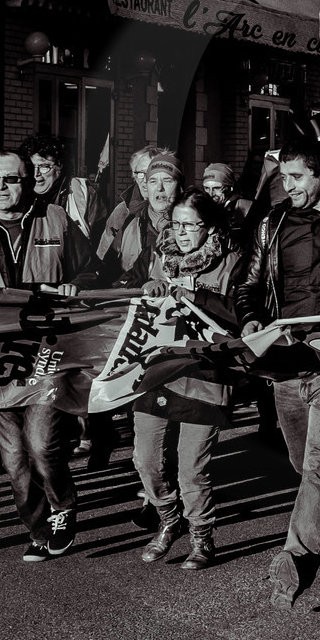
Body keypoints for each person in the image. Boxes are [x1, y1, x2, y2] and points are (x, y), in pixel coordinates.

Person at [234, 139, 320, 607]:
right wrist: (251, 317)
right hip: (286, 367)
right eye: (283, 178)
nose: (287, 186)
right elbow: (248, 285)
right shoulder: (272, 225)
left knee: (317, 463)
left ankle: (296, 560)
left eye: (296, 177)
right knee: (302, 464)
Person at [0, 151, 80, 562]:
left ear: (27, 181)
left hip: (48, 350)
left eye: (10, 180)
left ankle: (63, 507)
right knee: (13, 459)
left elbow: (93, 270)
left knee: (42, 443)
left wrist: (75, 285)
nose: (1, 188)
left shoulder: (57, 220)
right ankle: (38, 527)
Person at [130, 190, 244, 571]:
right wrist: (151, 290)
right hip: (158, 372)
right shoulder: (162, 260)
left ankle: (202, 535)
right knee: (145, 460)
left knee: (191, 469)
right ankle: (167, 519)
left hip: (205, 375)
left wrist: (195, 296)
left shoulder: (231, 262)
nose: (180, 232)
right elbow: (146, 307)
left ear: (208, 227)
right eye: (175, 223)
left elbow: (240, 315)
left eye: (188, 225)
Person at [19, 133, 97, 277]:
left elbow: (100, 249)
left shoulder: (82, 193)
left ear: (59, 167)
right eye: (31, 167)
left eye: (44, 167)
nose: (36, 174)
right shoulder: (19, 198)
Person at [102, 149, 182, 287]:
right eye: (152, 180)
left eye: (167, 180)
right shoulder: (129, 222)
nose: (159, 188)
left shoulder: (194, 225)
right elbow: (108, 273)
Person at [94, 146, 156, 273]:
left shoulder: (177, 211)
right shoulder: (121, 211)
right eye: (140, 174)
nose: (145, 180)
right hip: (126, 284)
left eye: (151, 173)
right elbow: (103, 254)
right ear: (134, 175)